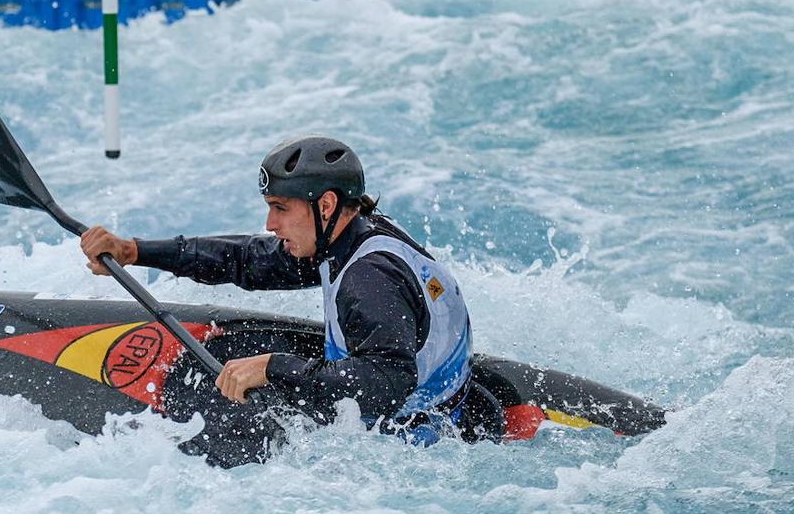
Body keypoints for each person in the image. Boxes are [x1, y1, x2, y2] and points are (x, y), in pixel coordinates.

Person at [80, 136, 504, 448]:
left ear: (324, 206)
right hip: (451, 402)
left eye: (280, 208)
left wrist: (273, 368)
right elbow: (246, 260)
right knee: (243, 348)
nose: (270, 223)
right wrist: (134, 251)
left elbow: (386, 383)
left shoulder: (368, 281)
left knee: (212, 393)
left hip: (407, 444)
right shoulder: (356, 236)